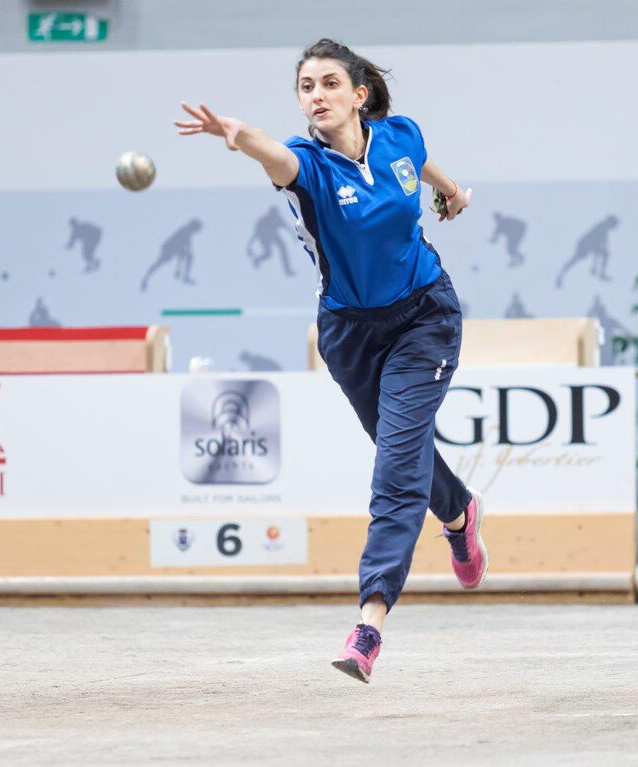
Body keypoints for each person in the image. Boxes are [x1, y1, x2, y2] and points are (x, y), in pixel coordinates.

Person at [175, 38, 488, 683]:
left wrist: (451, 190)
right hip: (348, 333)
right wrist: (237, 135)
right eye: (306, 87)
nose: (316, 96)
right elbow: (274, 152)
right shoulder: (309, 168)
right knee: (401, 446)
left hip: (425, 317)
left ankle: (370, 622)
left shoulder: (399, 134)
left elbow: (419, 163)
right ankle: (458, 512)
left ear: (358, 94)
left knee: (397, 466)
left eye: (327, 84)